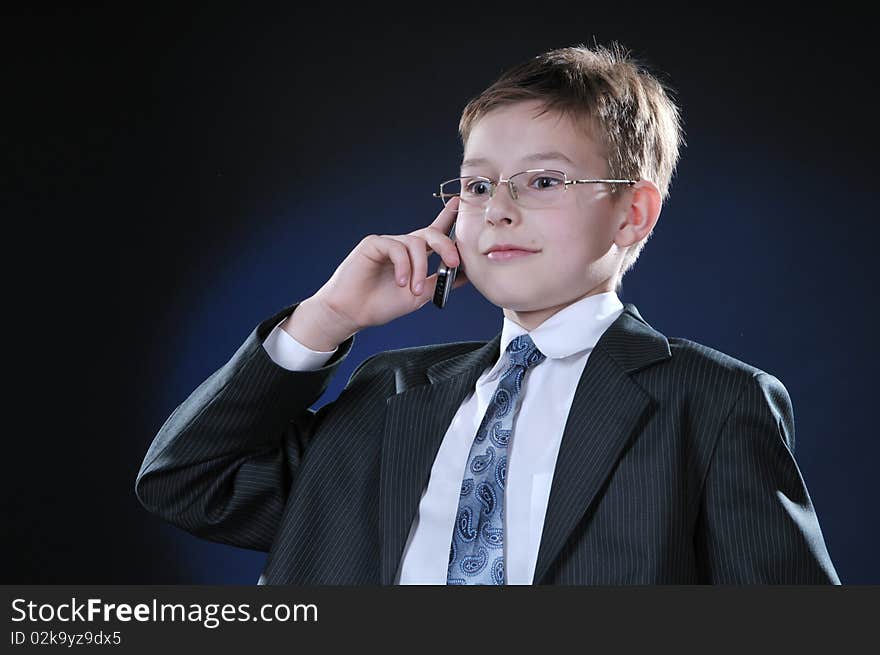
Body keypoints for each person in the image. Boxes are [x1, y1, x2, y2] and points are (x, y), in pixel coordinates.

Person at [135, 43, 840, 584]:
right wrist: (325, 317)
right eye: (477, 184)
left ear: (632, 213)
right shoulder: (388, 395)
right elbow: (187, 481)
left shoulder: (711, 402)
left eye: (543, 180)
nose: (499, 207)